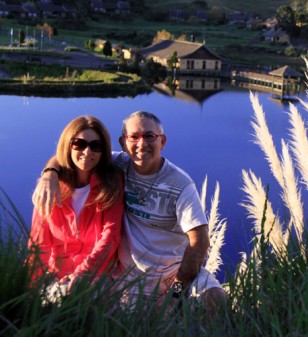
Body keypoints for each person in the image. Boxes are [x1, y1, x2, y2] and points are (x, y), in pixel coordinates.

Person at [33, 111, 226, 315]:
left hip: (176, 275)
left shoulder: (180, 184)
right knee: (141, 325)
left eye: (150, 136)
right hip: (132, 279)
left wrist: (176, 293)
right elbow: (73, 152)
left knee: (216, 301)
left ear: (163, 141)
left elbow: (200, 242)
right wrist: (50, 173)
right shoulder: (118, 165)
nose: (141, 144)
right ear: (123, 142)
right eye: (134, 137)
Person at [28, 116, 124, 297]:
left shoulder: (113, 182)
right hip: (56, 276)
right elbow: (39, 244)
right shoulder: (50, 186)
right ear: (68, 145)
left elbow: (110, 237)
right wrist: (30, 286)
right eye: (79, 144)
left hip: (97, 275)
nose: (87, 152)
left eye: (96, 146)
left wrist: (82, 274)